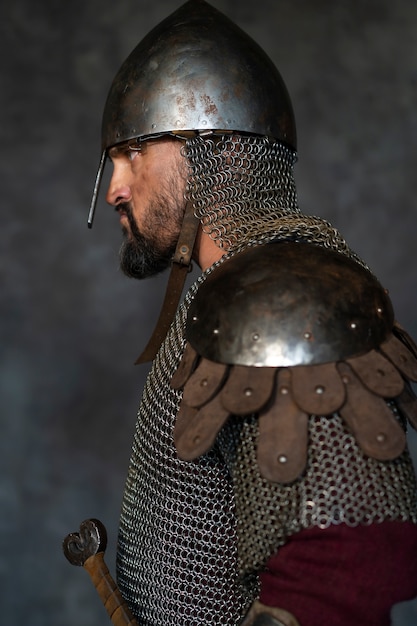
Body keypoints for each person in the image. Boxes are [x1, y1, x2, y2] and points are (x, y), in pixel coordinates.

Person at [88, 1, 417, 625]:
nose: (115, 188)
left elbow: (350, 554)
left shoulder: (287, 296)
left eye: (134, 152)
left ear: (212, 151)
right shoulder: (221, 298)